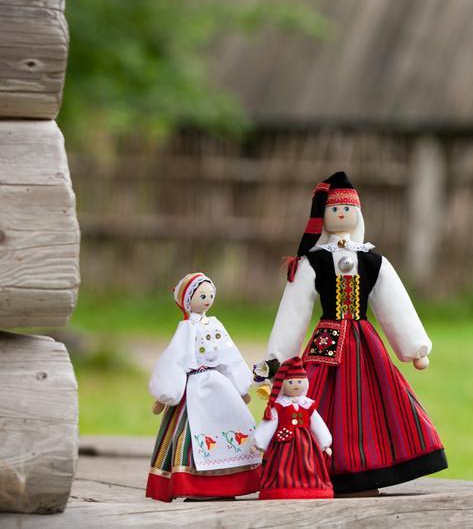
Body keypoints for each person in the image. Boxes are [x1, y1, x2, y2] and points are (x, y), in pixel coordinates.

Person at [257, 172, 446, 494]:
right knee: (318, 396)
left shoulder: (374, 261)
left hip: (364, 342)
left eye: (347, 209)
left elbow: (393, 302)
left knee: (375, 399)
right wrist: (278, 359)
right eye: (334, 210)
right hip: (326, 343)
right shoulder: (311, 263)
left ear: (357, 214)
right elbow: (294, 310)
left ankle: (372, 468)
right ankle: (321, 466)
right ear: (323, 218)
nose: (341, 215)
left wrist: (415, 346)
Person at [146, 273, 261, 501]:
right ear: (187, 300)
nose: (207, 300)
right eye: (202, 295)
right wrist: (165, 393)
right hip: (194, 389)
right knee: (188, 433)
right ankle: (197, 485)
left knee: (232, 424)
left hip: (220, 386)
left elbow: (229, 355)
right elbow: (175, 359)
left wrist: (240, 387)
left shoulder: (216, 324)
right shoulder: (186, 328)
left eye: (210, 295)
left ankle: (232, 483)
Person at [253, 356, 333, 500]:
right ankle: (282, 488)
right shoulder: (279, 405)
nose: (295, 385)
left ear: (305, 383)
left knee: (309, 463)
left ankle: (311, 487)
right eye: (291, 382)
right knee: (281, 465)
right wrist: (259, 443)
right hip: (283, 442)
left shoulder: (307, 404)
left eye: (299, 382)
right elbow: (270, 422)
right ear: (283, 384)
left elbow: (317, 423)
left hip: (307, 443)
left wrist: (325, 442)